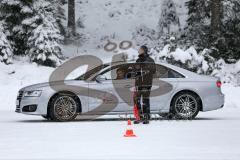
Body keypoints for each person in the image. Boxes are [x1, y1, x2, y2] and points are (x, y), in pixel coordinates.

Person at [134, 45, 156, 124]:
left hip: (147, 83)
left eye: (139, 49)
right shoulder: (138, 60)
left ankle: (146, 117)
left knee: (145, 100)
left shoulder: (150, 60)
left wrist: (145, 71)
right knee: (138, 100)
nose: (138, 50)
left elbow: (153, 71)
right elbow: (135, 71)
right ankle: (139, 117)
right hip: (138, 84)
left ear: (143, 50)